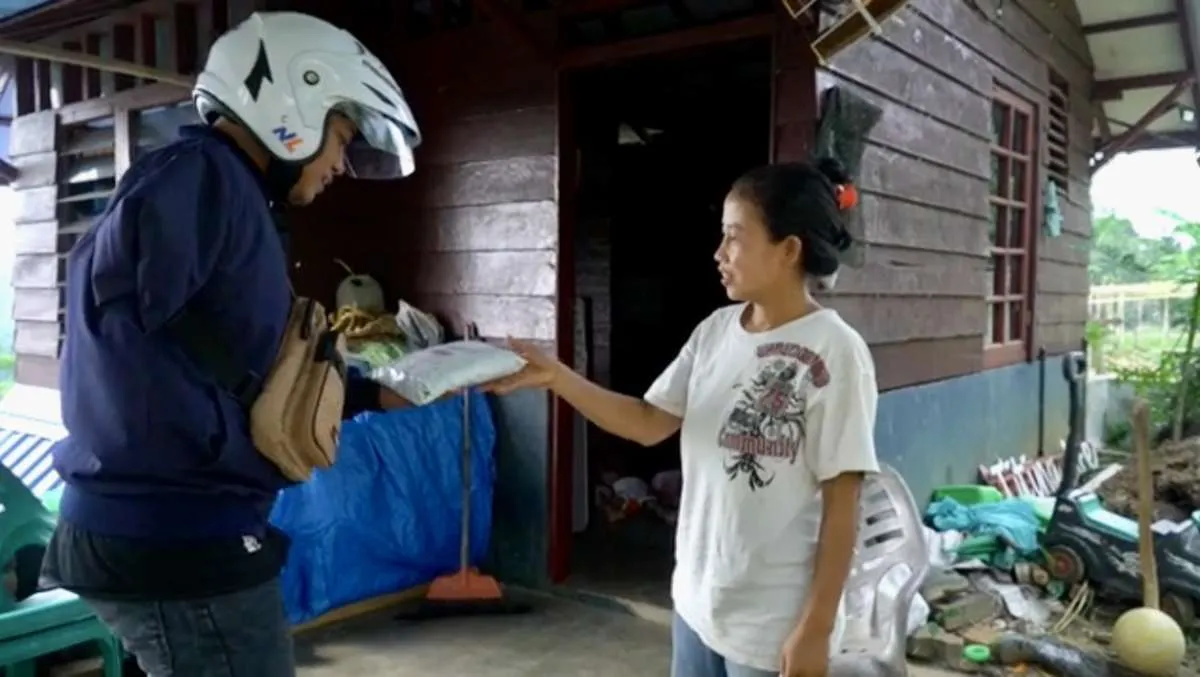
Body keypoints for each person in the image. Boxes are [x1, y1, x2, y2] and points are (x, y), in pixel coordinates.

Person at [40, 11, 420, 677]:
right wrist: (208, 464)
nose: (340, 163)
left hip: (171, 526)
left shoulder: (223, 190)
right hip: (177, 533)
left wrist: (373, 392)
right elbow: (125, 351)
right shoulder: (200, 180)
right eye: (341, 137)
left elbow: (233, 361)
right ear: (294, 102)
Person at [487, 159, 879, 677]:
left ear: (789, 250)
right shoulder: (715, 332)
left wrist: (817, 627)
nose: (719, 253)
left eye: (735, 237)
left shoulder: (836, 351)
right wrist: (559, 378)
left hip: (772, 628)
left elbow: (842, 506)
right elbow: (648, 421)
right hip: (698, 604)